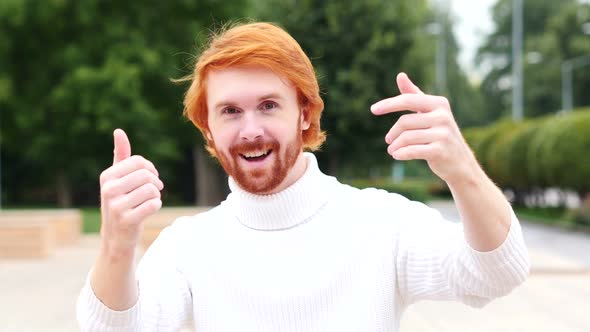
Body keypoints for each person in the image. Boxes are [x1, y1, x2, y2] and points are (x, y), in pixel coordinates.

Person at [77, 22, 530, 332]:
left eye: (269, 105)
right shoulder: (188, 245)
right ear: (208, 128)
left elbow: (495, 274)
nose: (250, 128)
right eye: (230, 111)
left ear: (305, 113)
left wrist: (462, 170)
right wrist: (117, 242)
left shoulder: (380, 221)